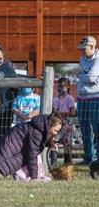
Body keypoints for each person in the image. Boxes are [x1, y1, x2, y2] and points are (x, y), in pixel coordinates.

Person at [0, 113, 63, 181]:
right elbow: (32, 154)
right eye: (55, 130)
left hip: (8, 150)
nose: (56, 133)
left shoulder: (39, 127)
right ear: (49, 125)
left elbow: (37, 143)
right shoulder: (37, 132)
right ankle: (31, 175)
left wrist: (49, 144)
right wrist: (34, 177)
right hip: (6, 154)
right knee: (25, 176)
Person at [76, 36, 99, 167]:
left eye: (84, 49)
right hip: (81, 97)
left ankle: (97, 159)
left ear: (92, 47)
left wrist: (80, 76)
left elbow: (91, 77)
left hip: (95, 97)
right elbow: (89, 77)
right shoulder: (82, 58)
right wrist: (84, 77)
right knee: (84, 129)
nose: (82, 51)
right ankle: (88, 157)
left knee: (97, 128)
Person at [50, 77, 76, 165]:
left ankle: (67, 163)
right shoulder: (55, 99)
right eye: (59, 86)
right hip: (57, 123)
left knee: (67, 143)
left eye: (62, 86)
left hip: (67, 124)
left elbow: (72, 112)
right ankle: (53, 162)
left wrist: (60, 113)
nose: (60, 88)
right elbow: (54, 110)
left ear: (68, 87)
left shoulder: (70, 98)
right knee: (54, 141)